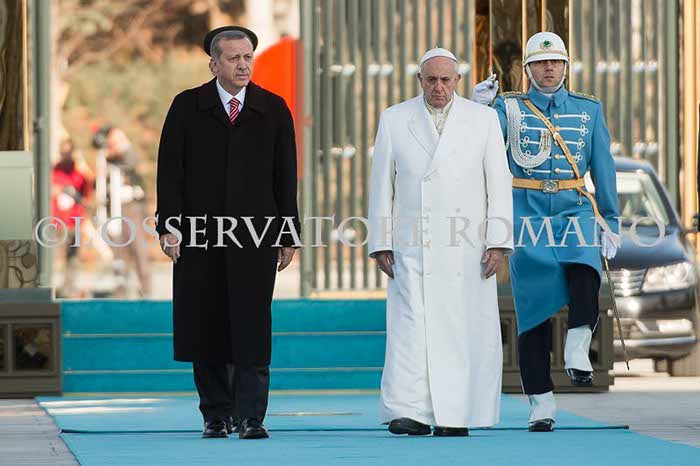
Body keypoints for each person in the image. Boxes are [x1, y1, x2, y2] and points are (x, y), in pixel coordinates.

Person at [155, 25, 300, 440]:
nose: (243, 65)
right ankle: (216, 414)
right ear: (214, 64)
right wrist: (169, 227)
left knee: (252, 323)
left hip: (255, 236)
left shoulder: (272, 108)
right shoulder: (187, 106)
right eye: (234, 58)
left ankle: (252, 416)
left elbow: (285, 175)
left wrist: (287, 232)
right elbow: (170, 171)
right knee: (206, 322)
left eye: (248, 57)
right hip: (199, 235)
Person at [472, 31, 620, 432]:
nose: (548, 68)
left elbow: (603, 167)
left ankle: (577, 346)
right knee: (532, 311)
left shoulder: (589, 109)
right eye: (540, 62)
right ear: (528, 69)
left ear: (566, 66)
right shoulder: (509, 108)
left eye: (555, 62)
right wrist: (477, 109)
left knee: (586, 268)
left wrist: (610, 221)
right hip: (527, 213)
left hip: (574, 208)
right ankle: (541, 402)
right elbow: (481, 143)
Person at [368, 47, 514, 437]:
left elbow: (499, 185)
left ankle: (456, 415)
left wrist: (498, 242)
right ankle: (408, 411)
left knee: (461, 332)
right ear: (420, 80)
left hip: (468, 250)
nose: (438, 87)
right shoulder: (394, 119)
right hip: (411, 246)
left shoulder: (483, 120)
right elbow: (381, 185)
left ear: (457, 81)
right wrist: (380, 242)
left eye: (445, 80)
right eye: (431, 80)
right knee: (410, 330)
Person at [103, 127, 152, 298]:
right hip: (116, 209)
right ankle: (121, 291)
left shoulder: (129, 155)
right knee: (119, 253)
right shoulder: (107, 160)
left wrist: (120, 145)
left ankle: (145, 292)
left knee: (139, 250)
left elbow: (131, 161)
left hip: (132, 208)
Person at [51, 138, 92, 298]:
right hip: (57, 222)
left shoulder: (80, 173)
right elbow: (48, 188)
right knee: (54, 257)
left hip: (75, 221)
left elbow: (88, 196)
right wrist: (59, 189)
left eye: (68, 153)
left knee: (72, 258)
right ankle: (52, 288)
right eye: (63, 153)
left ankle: (69, 289)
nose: (66, 156)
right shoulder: (55, 170)